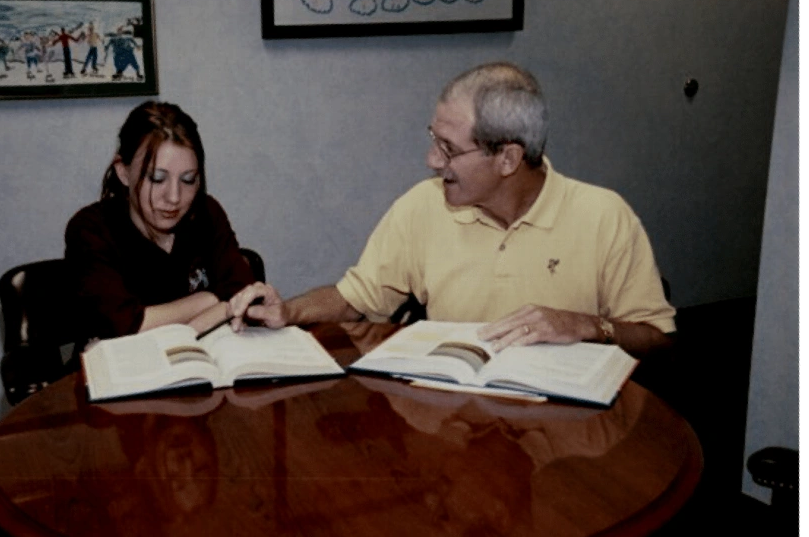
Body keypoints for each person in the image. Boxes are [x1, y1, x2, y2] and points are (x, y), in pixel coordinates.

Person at [230, 62, 675, 358]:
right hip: (455, 432)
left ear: (507, 159)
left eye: (448, 148)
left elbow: (658, 338)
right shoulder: (424, 206)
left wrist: (587, 326)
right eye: (433, 139)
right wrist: (289, 312)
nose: (432, 160)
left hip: (566, 441)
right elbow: (355, 298)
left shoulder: (604, 216)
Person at [65, 101, 254, 344]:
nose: (174, 197)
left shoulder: (207, 212)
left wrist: (187, 326)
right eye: (157, 178)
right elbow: (124, 327)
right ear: (123, 172)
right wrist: (212, 300)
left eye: (188, 180)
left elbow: (244, 295)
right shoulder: (91, 229)